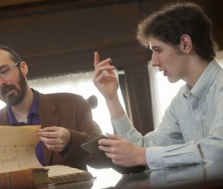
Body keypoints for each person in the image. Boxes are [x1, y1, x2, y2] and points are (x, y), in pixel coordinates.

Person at [93, 2, 223, 170]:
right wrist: (111, 98)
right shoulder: (180, 101)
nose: (154, 61)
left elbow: (218, 151)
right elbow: (142, 149)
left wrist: (141, 155)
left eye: (158, 50)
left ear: (185, 44)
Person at [0, 45, 102, 170]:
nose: (0, 83)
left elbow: (103, 159)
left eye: (4, 71)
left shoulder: (73, 104)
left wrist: (71, 140)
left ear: (23, 68)